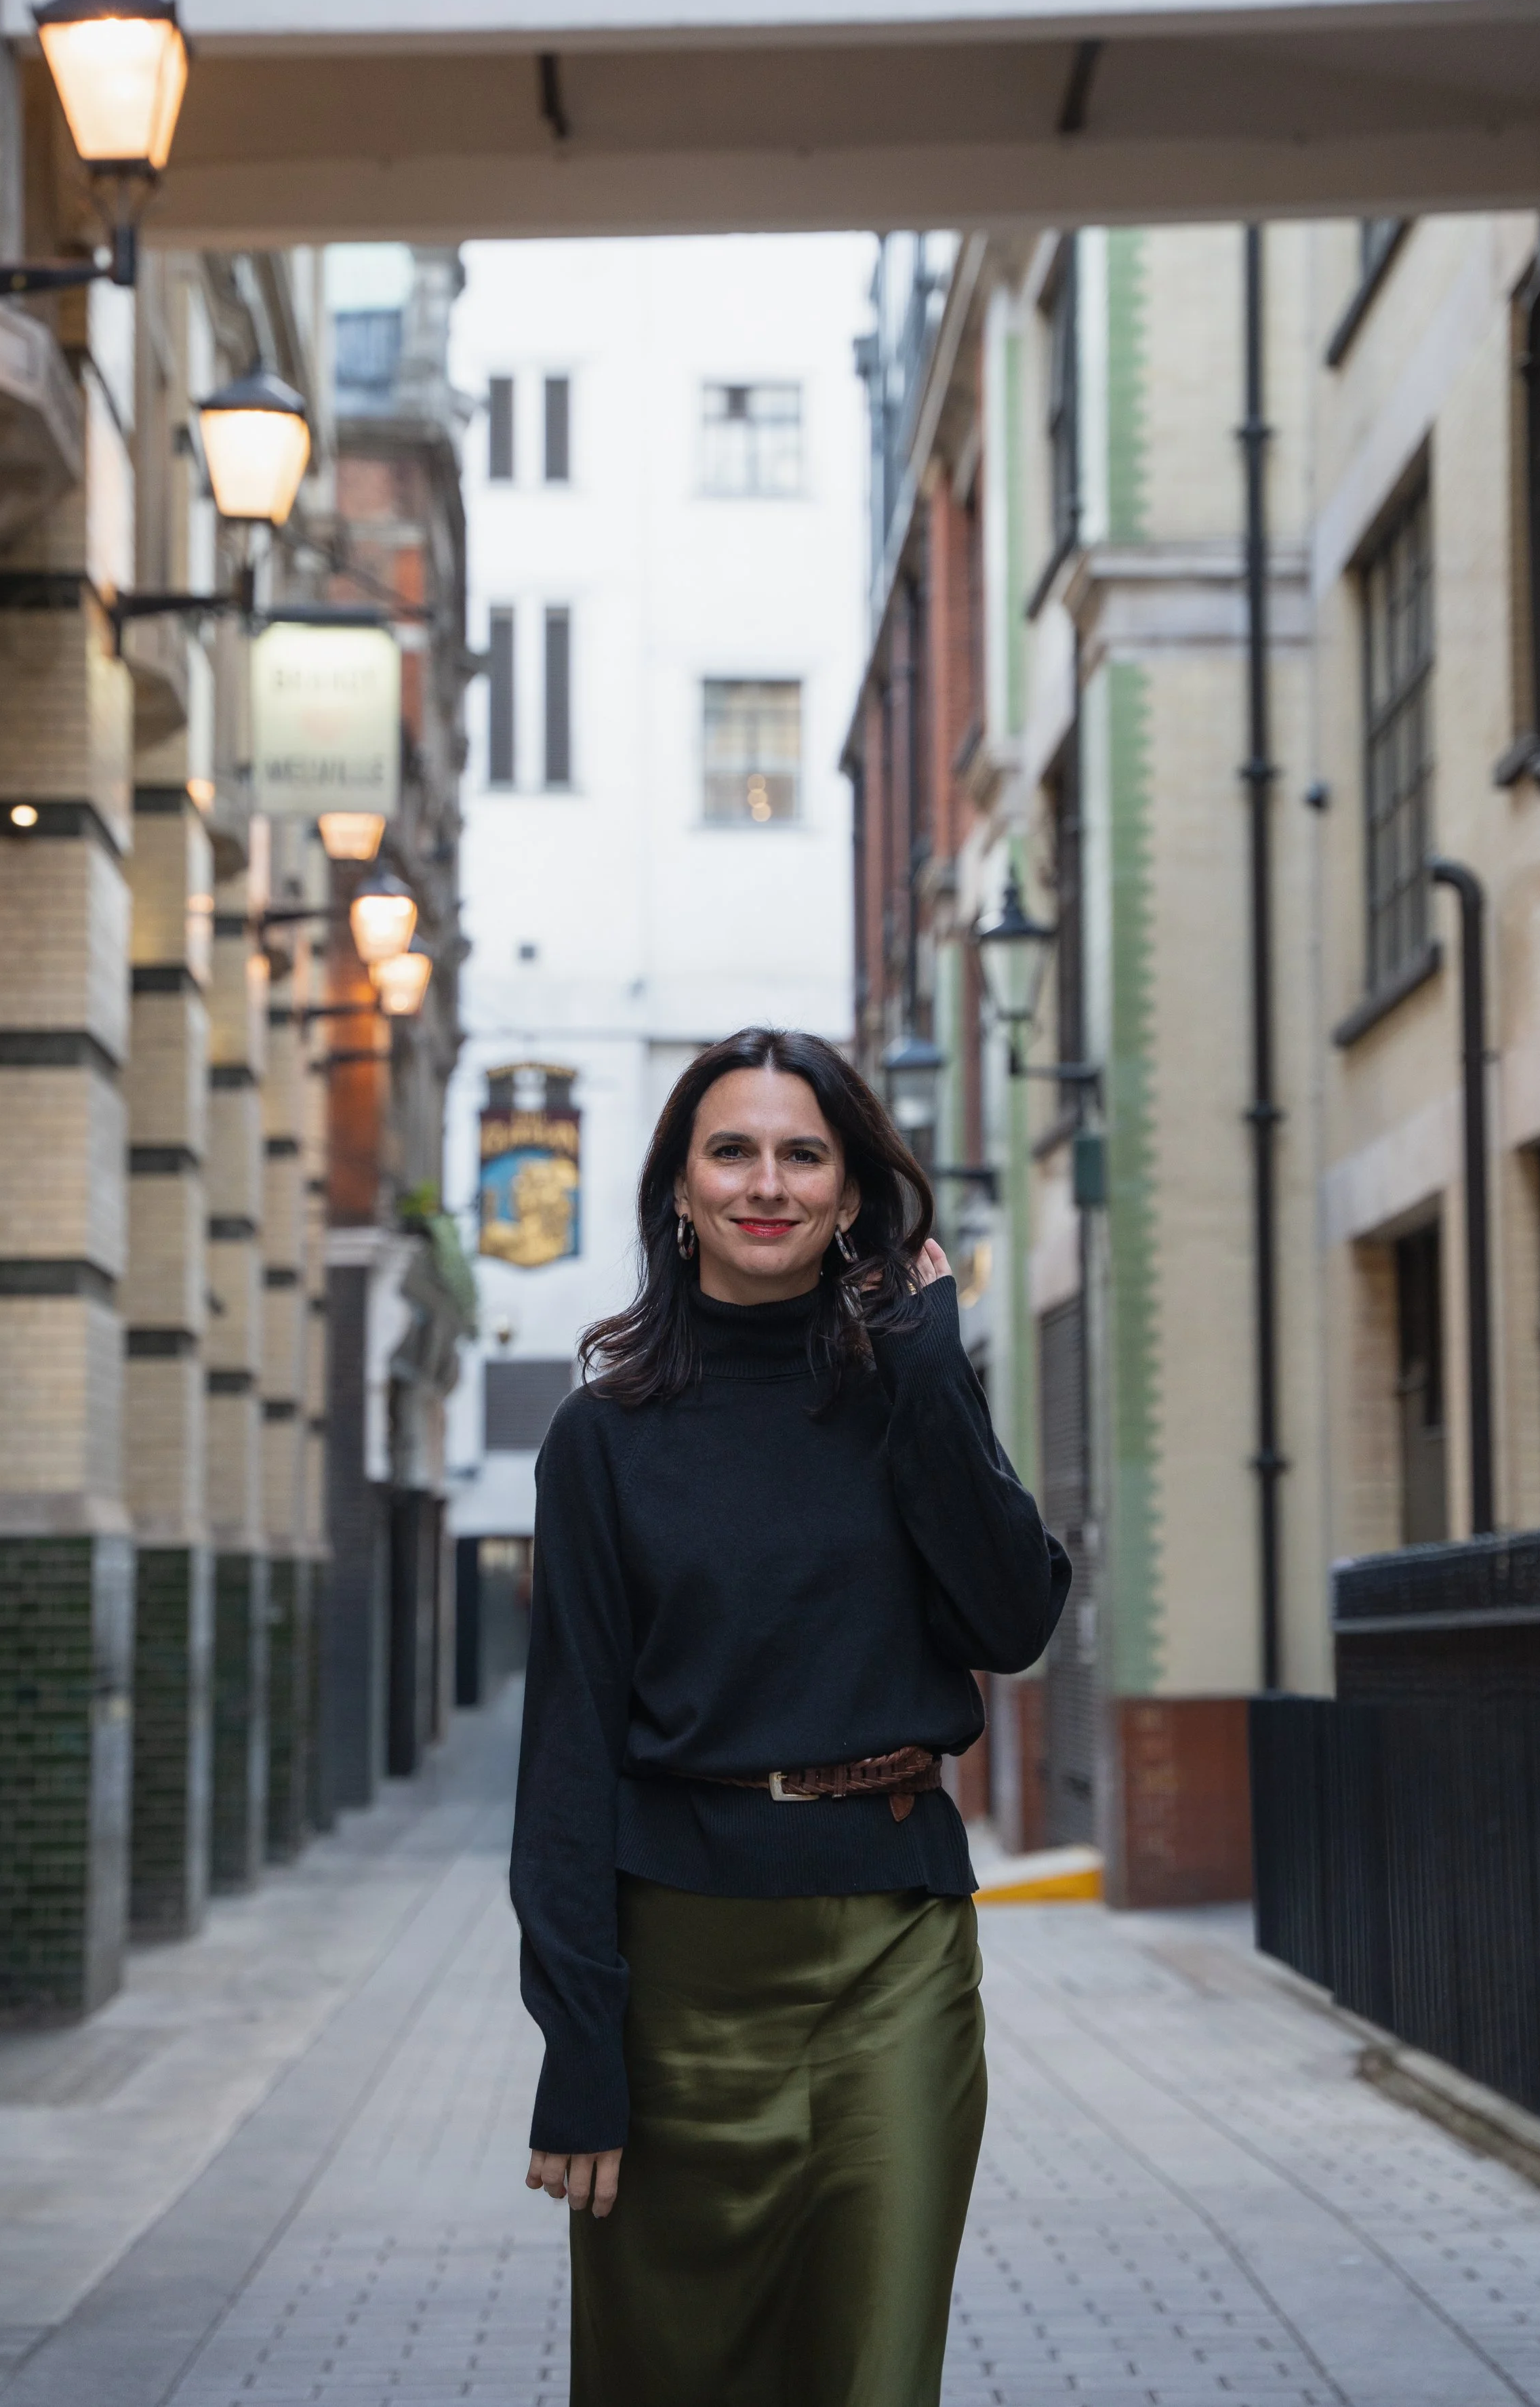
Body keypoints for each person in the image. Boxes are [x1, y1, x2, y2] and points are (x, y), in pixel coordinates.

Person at [510, 1026, 1070, 2406]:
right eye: (732, 1150)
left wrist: (930, 1375)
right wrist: (579, 2048)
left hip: (893, 1952)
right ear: (681, 1188)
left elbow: (1011, 1622)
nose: (767, 1182)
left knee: (872, 2373)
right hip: (676, 1975)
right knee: (668, 2376)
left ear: (849, 1191)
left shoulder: (906, 1392)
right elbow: (567, 1753)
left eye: (802, 1154)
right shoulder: (603, 1437)